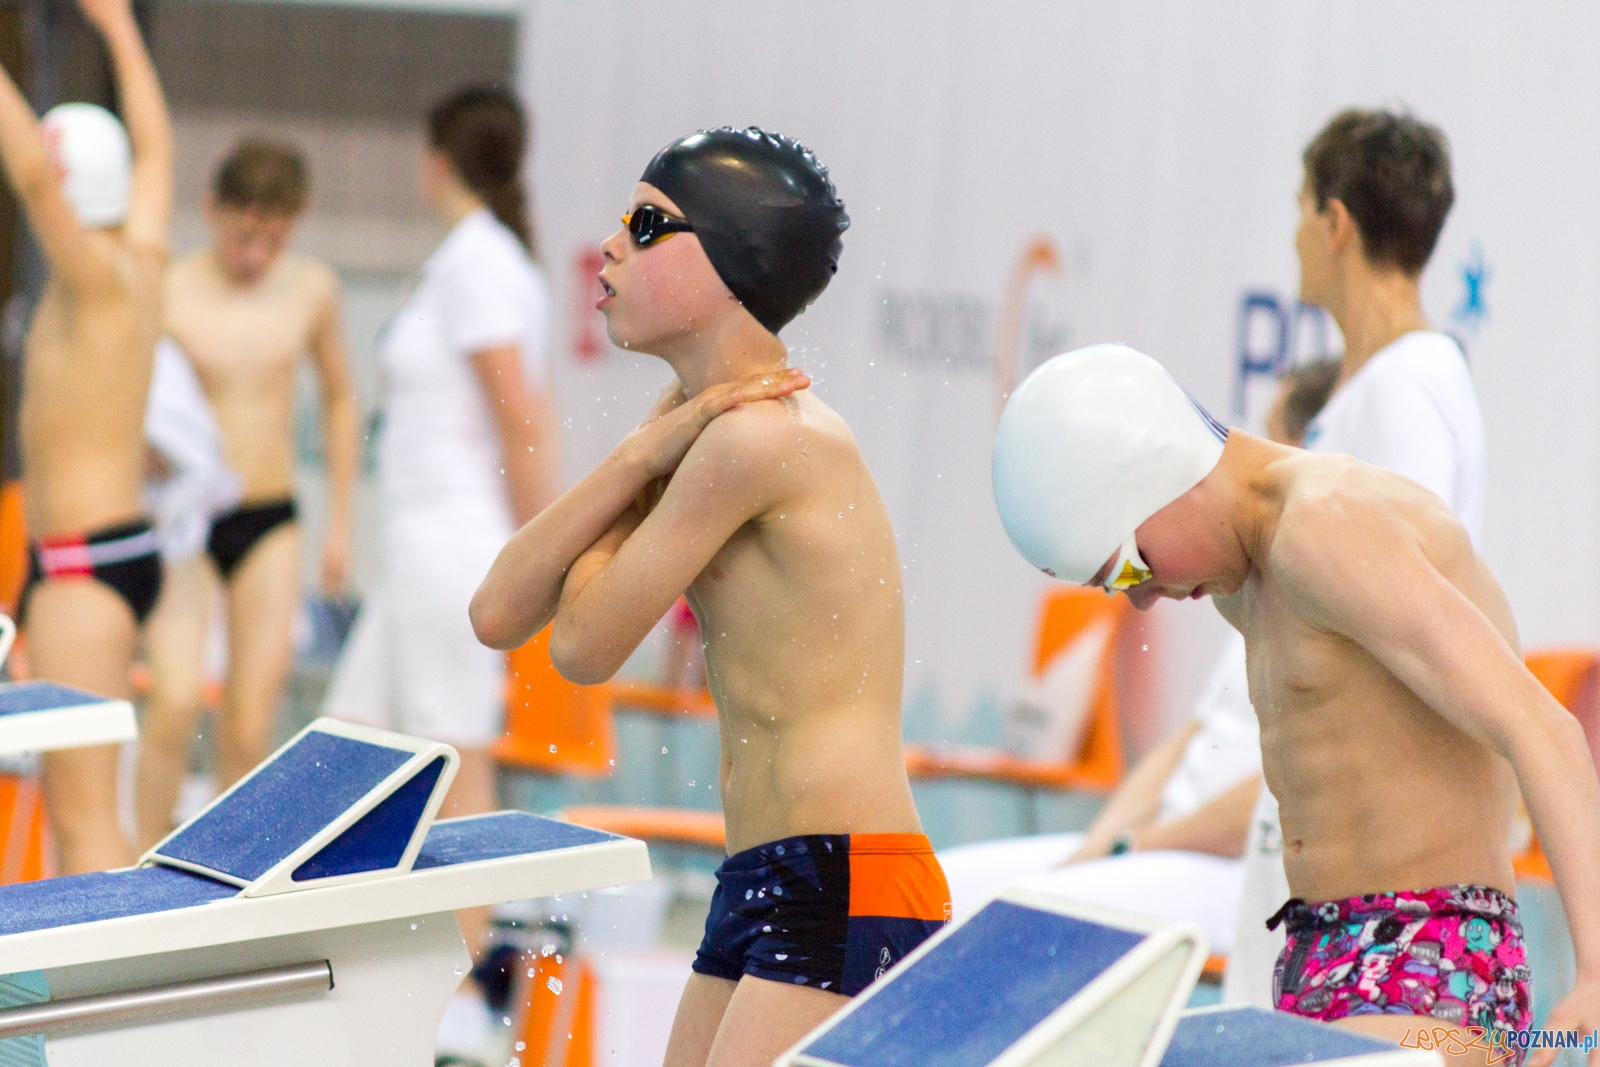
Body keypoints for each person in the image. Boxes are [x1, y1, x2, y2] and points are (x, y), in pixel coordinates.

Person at [470, 127, 949, 1067]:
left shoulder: (755, 439)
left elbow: (580, 647)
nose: (611, 244)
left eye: (647, 225)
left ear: (732, 263)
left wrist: (644, 466)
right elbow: (496, 613)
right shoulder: (693, 426)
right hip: (771, 873)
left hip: (846, 875)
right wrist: (639, 454)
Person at [992, 343, 1599, 1067]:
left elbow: (1544, 731)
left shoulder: (1324, 525)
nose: (1142, 599)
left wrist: (1596, 977)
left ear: (1159, 473)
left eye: (1128, 566)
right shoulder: (1242, 582)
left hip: (1438, 961)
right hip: (1316, 953)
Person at [1226, 108, 1488, 1010]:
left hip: (1365, 840)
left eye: (1301, 209)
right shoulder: (1373, 385)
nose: (1295, 235)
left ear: (1334, 223)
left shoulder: (1409, 386)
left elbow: (1399, 612)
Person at [936, 360, 1339, 942]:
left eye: (1271, 435)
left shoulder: (1322, 572)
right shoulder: (1251, 589)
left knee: (1011, 925)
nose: (1143, 598)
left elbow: (1288, 790)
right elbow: (1191, 737)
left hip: (1240, 867)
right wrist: (1101, 845)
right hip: (1163, 847)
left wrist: (1139, 846)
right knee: (936, 895)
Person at [320, 85, 558, 1063]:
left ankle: (462, 993)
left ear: (436, 157)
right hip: (420, 550)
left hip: (457, 548)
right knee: (351, 747)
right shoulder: (467, 259)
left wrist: (546, 556)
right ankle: (360, 980)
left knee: (455, 760)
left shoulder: (481, 264)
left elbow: (521, 421)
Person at [137, 140, 357, 847]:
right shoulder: (170, 288)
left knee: (249, 723)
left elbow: (340, 397)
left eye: (274, 239)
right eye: (243, 236)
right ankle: (137, 872)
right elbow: (125, 396)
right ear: (212, 210)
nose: (256, 255)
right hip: (188, 518)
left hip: (269, 517)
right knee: (174, 704)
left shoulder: (311, 289)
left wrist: (341, 522)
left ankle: (225, 879)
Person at [0, 0, 171, 873]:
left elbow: (32, 175)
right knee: (83, 808)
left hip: (80, 568)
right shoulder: (142, 256)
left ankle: (114, 967)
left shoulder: (96, 276)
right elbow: (159, 150)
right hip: (94, 557)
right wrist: (119, 32)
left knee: (83, 812)